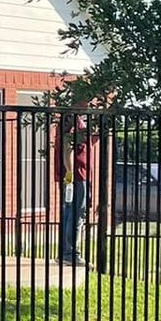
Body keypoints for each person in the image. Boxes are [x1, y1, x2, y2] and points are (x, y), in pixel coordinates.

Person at [55, 113, 96, 264]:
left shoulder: (76, 122)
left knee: (69, 213)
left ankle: (65, 252)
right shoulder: (73, 121)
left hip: (77, 177)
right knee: (77, 213)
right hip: (77, 177)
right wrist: (70, 177)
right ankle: (70, 253)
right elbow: (68, 149)